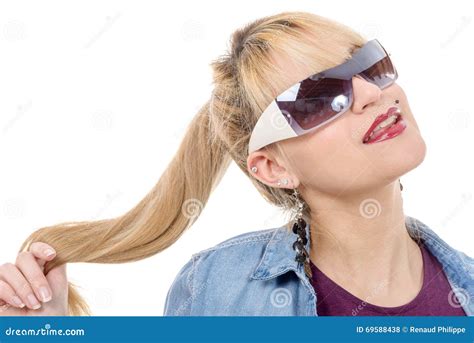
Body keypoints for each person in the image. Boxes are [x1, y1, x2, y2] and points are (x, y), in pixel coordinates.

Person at [1, 11, 472, 316]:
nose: (373, 94)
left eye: (369, 65)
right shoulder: (218, 293)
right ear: (273, 168)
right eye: (320, 97)